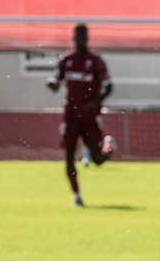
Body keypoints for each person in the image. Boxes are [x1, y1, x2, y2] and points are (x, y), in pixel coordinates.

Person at [47, 23, 115, 207]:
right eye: (78, 36)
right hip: (71, 116)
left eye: (83, 36)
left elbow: (109, 86)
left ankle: (108, 147)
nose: (80, 39)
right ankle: (77, 195)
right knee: (69, 157)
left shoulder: (95, 61)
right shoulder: (66, 60)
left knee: (97, 160)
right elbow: (56, 80)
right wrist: (51, 84)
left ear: (87, 38)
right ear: (73, 38)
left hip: (89, 117)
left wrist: (96, 101)